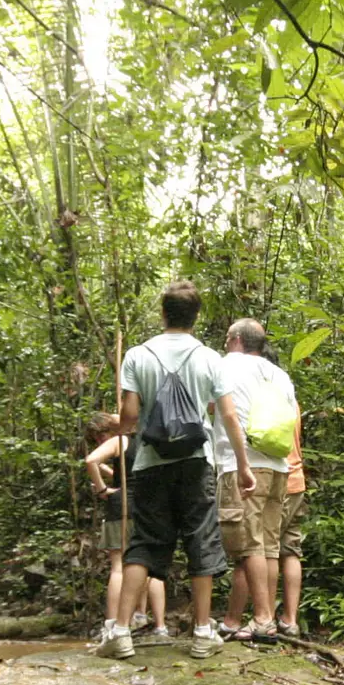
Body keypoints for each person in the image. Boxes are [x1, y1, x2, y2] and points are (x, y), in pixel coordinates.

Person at [103, 281, 255, 661]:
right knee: (200, 539)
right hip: (196, 461)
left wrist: (120, 424)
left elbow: (131, 417)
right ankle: (203, 632)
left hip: (151, 463)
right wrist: (243, 465)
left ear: (163, 312)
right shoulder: (209, 358)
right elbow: (229, 415)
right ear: (196, 316)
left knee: (144, 542)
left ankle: (120, 632)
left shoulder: (138, 355)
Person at [212, 319, 297, 639]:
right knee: (270, 547)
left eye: (226, 338)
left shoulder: (227, 366)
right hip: (277, 468)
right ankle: (265, 618)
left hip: (243, 465)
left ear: (235, 340)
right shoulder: (280, 374)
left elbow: (209, 405)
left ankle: (262, 620)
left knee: (249, 546)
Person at [83, 414, 168, 647]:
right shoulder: (145, 439)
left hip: (122, 507)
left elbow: (90, 460)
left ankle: (112, 624)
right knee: (150, 567)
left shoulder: (119, 440)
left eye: (98, 437)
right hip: (148, 507)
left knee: (119, 566)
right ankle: (160, 626)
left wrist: (102, 491)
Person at [277, 409, 308, 637]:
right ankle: (290, 620)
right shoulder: (290, 398)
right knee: (290, 550)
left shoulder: (260, 396)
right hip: (297, 480)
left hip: (275, 480)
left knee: (264, 550)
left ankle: (264, 617)